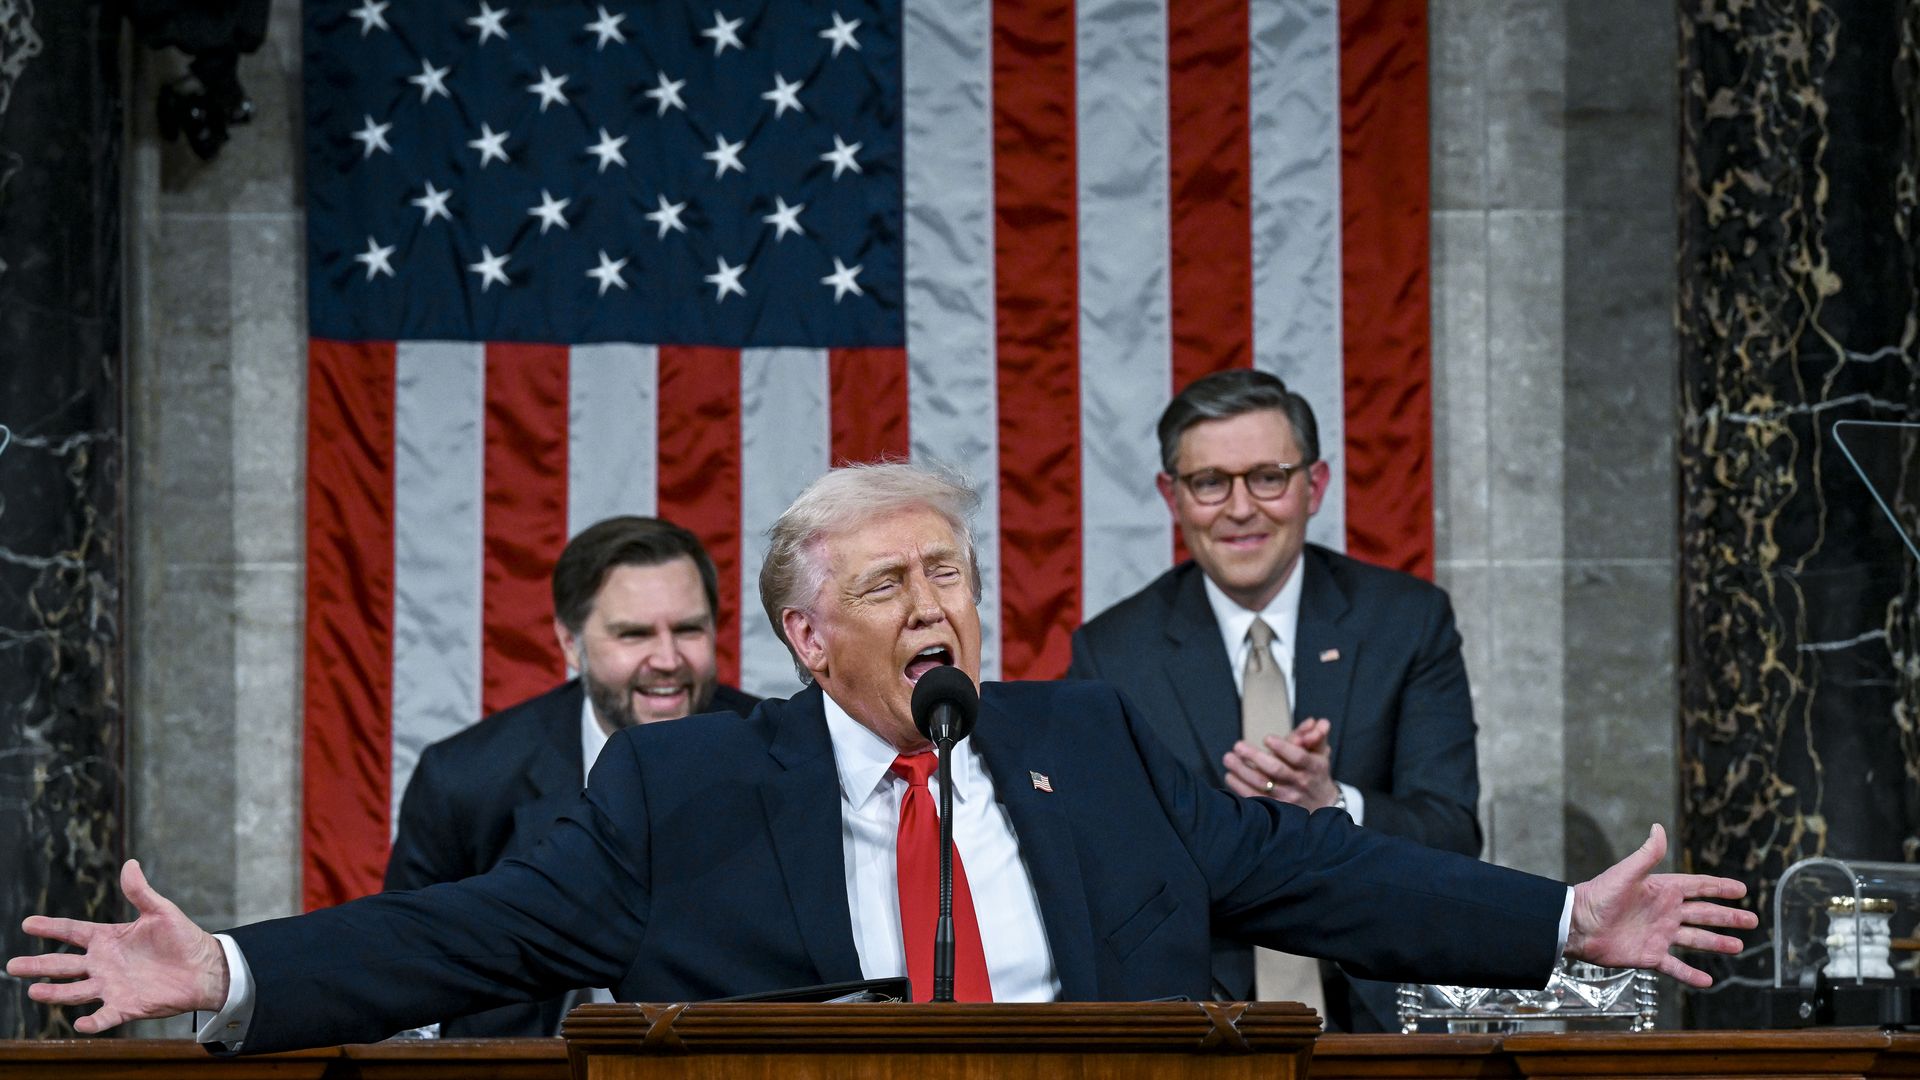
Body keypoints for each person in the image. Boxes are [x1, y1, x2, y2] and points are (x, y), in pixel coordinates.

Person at [9, 464, 1754, 1053]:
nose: (940, 607)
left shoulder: (1097, 740)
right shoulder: (687, 788)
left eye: (955, 575)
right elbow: (460, 936)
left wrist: (1555, 927)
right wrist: (230, 969)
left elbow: (1322, 876)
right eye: (892, 583)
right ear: (804, 637)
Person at [1069, 370, 1476, 1029]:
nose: (1239, 508)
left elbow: (1454, 833)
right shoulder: (1112, 654)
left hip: (1382, 1016)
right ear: (1171, 496)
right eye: (1210, 483)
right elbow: (1099, 869)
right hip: (1198, 1021)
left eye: (1267, 477)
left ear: (1314, 485)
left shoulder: (1407, 623)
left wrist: (1332, 806)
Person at [384, 515, 760, 1037]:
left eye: (689, 629)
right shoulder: (464, 779)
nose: (668, 659)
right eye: (634, 634)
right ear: (569, 642)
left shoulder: (781, 755)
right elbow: (405, 968)